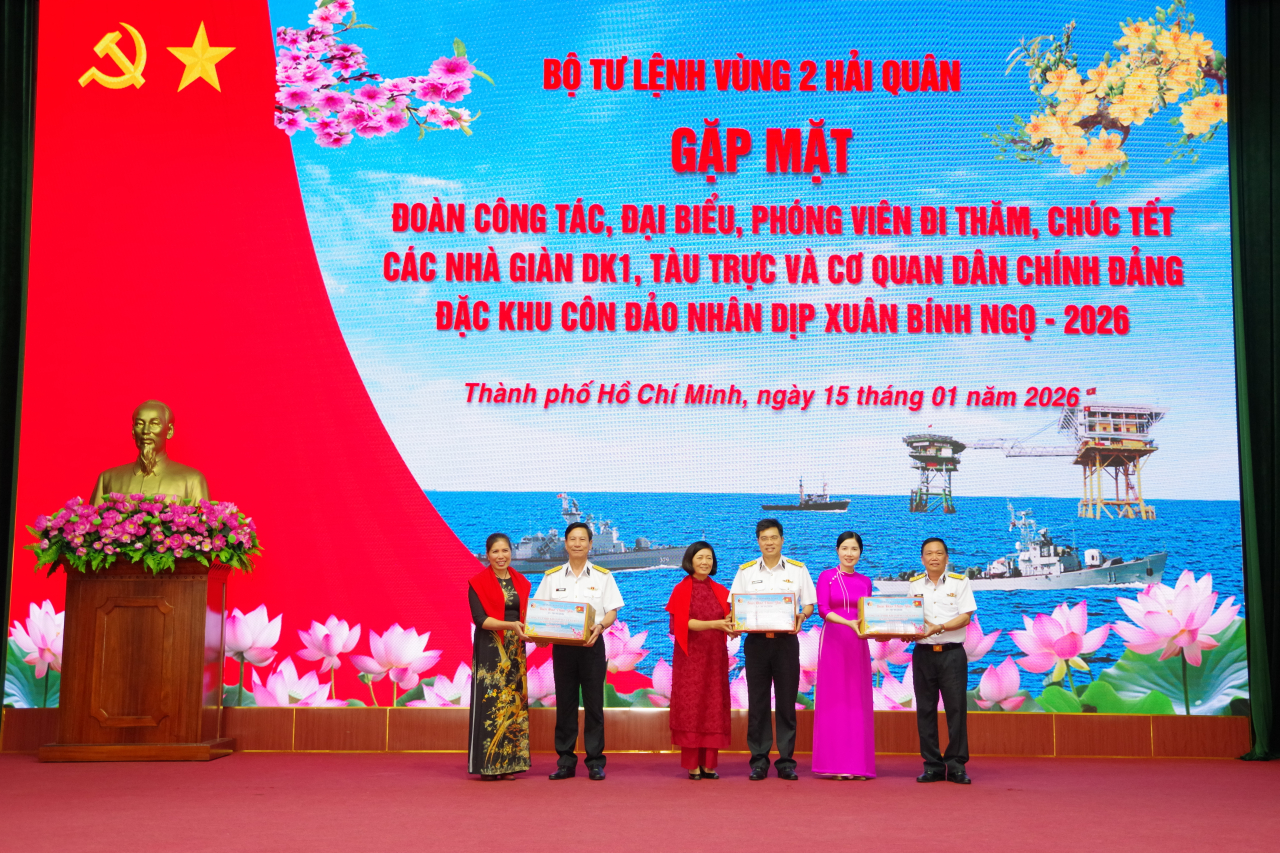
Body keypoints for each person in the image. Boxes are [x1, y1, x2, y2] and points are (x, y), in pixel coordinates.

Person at [533, 521, 624, 780]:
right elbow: (540, 611)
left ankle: (595, 762)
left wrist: (600, 626)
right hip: (563, 649)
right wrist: (540, 636)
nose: (577, 544)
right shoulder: (551, 577)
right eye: (572, 539)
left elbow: (612, 611)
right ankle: (565, 761)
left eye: (582, 539)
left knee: (594, 705)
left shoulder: (602, 576)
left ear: (590, 544)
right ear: (565, 543)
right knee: (566, 704)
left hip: (592, 646)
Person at [730, 518, 816, 780]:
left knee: (787, 703)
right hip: (756, 643)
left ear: (782, 539)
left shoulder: (798, 569)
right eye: (764, 538)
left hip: (785, 643)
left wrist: (802, 616)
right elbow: (735, 606)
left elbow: (809, 604)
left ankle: (786, 762)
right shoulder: (746, 572)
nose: (769, 543)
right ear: (758, 541)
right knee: (758, 703)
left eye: (774, 538)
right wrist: (735, 621)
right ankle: (759, 762)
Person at [910, 536, 977, 785]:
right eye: (929, 553)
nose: (934, 557)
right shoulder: (914, 584)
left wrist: (938, 627)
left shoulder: (960, 583)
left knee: (956, 710)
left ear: (947, 558)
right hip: (923, 655)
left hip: (952, 654)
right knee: (925, 710)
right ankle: (932, 766)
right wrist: (902, 631)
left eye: (939, 553)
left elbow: (966, 617)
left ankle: (957, 765)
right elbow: (910, 618)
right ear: (922, 559)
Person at [664, 541, 733, 779]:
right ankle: (693, 764)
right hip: (690, 658)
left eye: (709, 558)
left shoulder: (722, 590)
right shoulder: (681, 589)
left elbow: (730, 620)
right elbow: (680, 625)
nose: (705, 562)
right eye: (700, 557)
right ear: (690, 560)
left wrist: (734, 628)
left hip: (715, 658)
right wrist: (716, 624)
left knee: (713, 706)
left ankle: (709, 764)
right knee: (691, 708)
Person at [467, 533, 532, 780]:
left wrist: (537, 632)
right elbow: (480, 620)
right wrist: (511, 625)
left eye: (505, 551)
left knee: (514, 705)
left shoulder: (521, 582)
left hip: (516, 649)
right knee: (492, 705)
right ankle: (489, 765)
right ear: (487, 555)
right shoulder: (477, 583)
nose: (501, 556)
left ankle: (510, 764)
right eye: (495, 551)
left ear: (511, 553)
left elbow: (528, 616)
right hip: (491, 652)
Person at [812, 531, 875, 780]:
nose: (849, 553)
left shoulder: (865, 581)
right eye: (845, 548)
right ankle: (834, 764)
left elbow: (870, 614)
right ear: (837, 550)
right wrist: (849, 623)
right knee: (834, 700)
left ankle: (858, 765)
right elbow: (823, 609)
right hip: (834, 642)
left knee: (857, 700)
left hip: (858, 643)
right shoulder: (827, 577)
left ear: (861, 553)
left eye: (854, 549)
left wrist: (881, 631)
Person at [91, 400, 209, 503]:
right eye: (139, 424)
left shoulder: (192, 480)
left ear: (169, 431)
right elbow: (93, 520)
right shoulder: (108, 479)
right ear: (133, 431)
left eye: (154, 424)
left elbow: (203, 520)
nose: (146, 431)